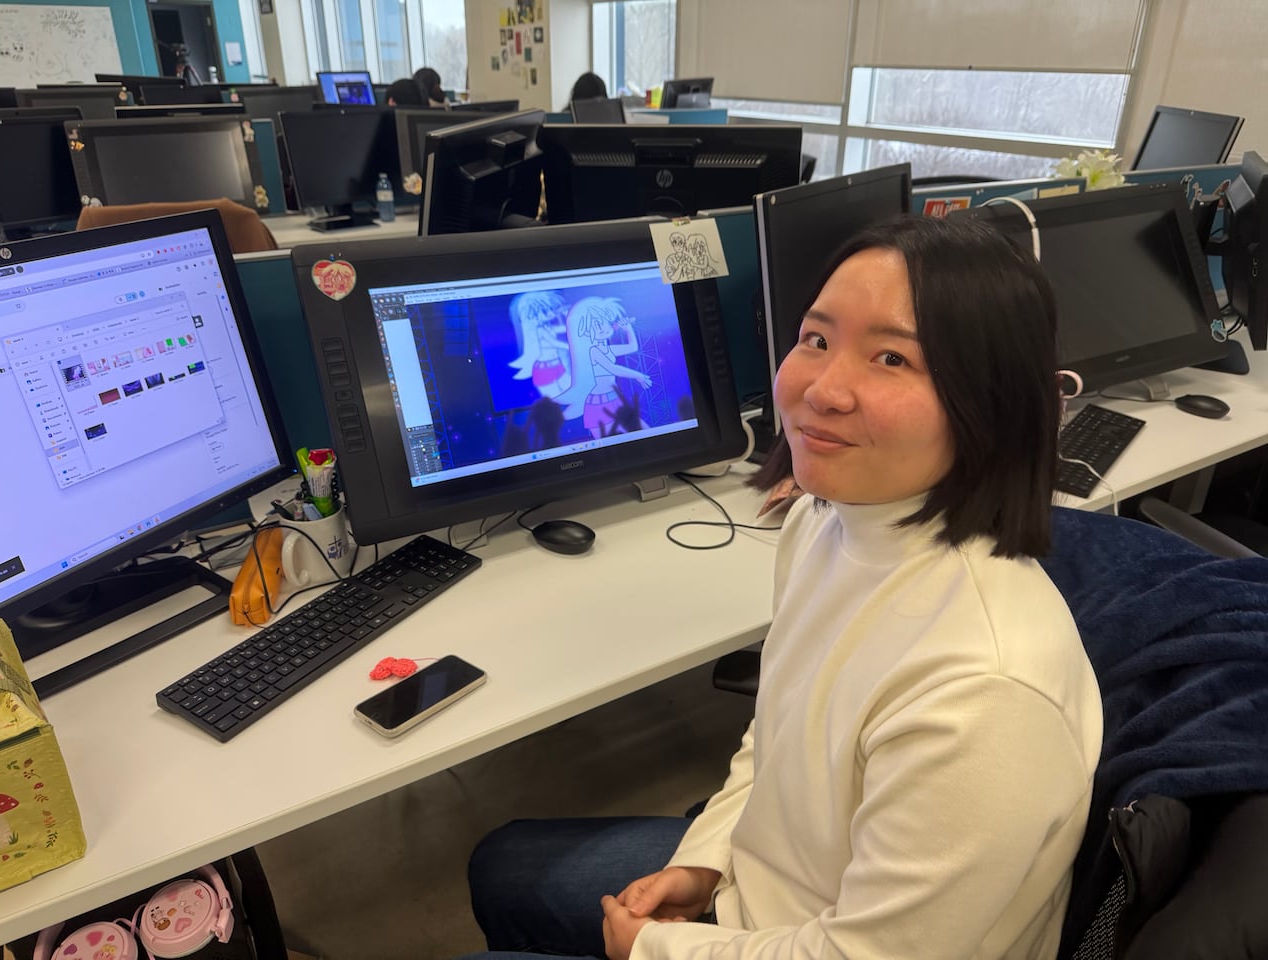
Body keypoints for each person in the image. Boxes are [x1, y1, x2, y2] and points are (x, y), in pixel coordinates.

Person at [462, 215, 1104, 960]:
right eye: (817, 339)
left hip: (824, 944)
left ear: (987, 401)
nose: (823, 389)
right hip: (760, 897)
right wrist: (704, 859)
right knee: (503, 863)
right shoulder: (821, 524)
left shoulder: (984, 689)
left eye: (892, 358)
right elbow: (776, 739)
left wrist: (653, 951)